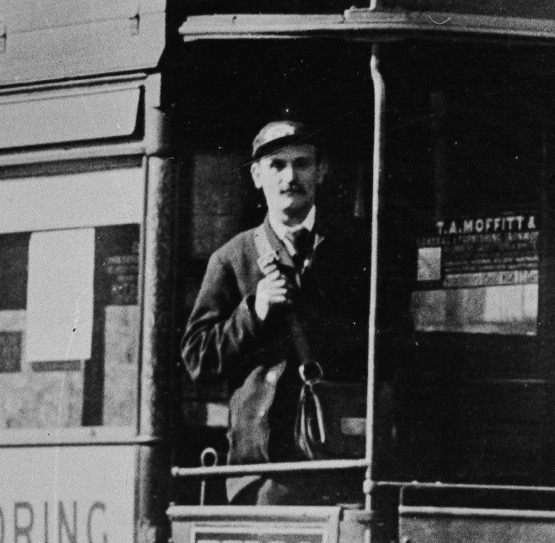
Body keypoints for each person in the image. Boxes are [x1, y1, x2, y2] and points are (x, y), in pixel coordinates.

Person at [182, 119, 370, 504]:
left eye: (302, 163)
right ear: (256, 175)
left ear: (321, 171)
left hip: (343, 460)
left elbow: (390, 338)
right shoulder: (232, 258)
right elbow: (197, 357)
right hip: (261, 468)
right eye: (277, 165)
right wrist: (254, 311)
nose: (290, 177)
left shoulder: (360, 249)